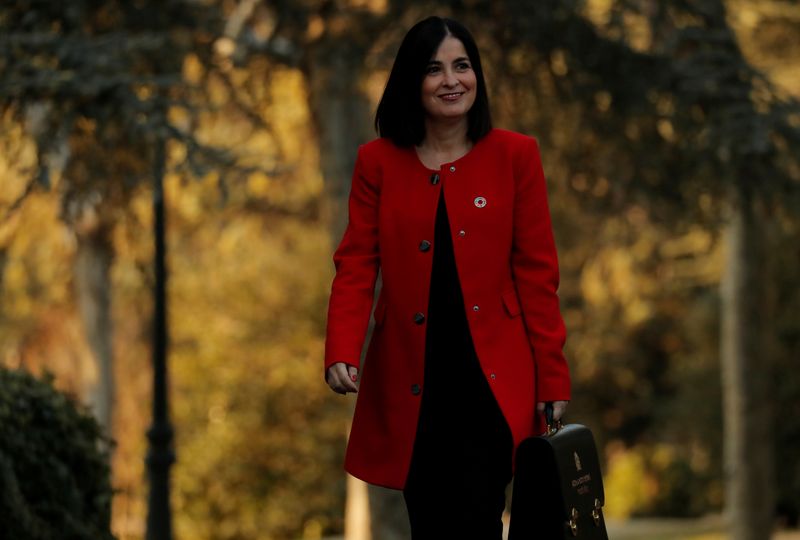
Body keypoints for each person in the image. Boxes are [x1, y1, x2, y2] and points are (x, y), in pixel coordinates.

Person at [324, 15, 571, 539]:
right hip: (412, 383)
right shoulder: (377, 163)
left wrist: (552, 376)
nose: (451, 80)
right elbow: (356, 262)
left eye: (462, 66)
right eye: (434, 69)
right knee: (431, 525)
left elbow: (537, 275)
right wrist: (342, 347)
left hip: (493, 382)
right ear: (413, 81)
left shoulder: (515, 155)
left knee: (478, 518)